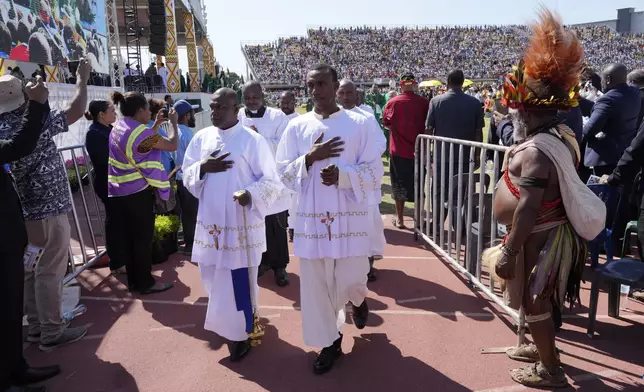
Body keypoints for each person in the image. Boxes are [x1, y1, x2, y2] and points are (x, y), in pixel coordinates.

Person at [488, 10, 605, 388]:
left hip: (543, 238)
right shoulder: (559, 137)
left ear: (526, 110)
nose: (513, 113)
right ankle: (540, 350)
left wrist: (508, 252)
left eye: (516, 109)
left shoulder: (538, 151)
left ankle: (550, 370)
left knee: (536, 301)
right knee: (538, 300)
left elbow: (528, 208)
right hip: (543, 236)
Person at [276, 64, 383, 375]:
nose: (315, 91)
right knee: (316, 286)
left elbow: (375, 172)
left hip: (349, 219)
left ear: (336, 85)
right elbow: (282, 171)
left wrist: (343, 176)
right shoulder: (297, 128)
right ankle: (330, 343)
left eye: (322, 84)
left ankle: (358, 300)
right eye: (311, 85)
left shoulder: (358, 124)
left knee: (352, 279)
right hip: (312, 221)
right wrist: (309, 158)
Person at [182, 88, 284, 361]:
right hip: (211, 224)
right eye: (212, 107)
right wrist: (202, 167)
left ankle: (243, 332)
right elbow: (186, 172)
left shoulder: (252, 141)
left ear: (236, 108)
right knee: (212, 275)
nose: (214, 112)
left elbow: (271, 181)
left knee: (239, 278)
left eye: (221, 108)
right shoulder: (202, 138)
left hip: (240, 223)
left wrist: (250, 194)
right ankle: (226, 322)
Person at [0, 59, 90, 352]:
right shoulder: (34, 120)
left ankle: (37, 326)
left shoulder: (3, 127)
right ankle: (52, 330)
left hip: (23, 211)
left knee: (32, 268)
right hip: (49, 210)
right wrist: (82, 79)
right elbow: (77, 110)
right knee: (50, 269)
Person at [1, 76, 62, 392]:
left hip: (12, 233)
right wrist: (38, 104)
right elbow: (20, 145)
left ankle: (15, 367)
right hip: (23, 224)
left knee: (12, 306)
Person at [107, 91, 177, 295]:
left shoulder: (120, 126)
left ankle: (135, 281)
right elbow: (171, 145)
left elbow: (142, 145)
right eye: (147, 109)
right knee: (142, 239)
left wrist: (154, 126)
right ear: (139, 111)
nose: (149, 113)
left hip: (118, 192)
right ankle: (146, 282)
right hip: (137, 193)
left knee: (129, 239)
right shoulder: (139, 133)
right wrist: (172, 123)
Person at [239, 81, 291, 286]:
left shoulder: (277, 116)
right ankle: (261, 262)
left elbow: (284, 146)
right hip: (249, 180)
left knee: (277, 225)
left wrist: (259, 139)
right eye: (247, 98)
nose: (252, 101)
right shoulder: (238, 117)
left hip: (273, 180)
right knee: (255, 223)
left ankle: (280, 267)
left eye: (255, 97)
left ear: (262, 96)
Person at [337, 79, 386, 281]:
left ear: (357, 95)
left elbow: (379, 144)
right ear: (336, 94)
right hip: (339, 184)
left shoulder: (366, 118)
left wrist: (357, 168)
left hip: (363, 181)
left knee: (367, 225)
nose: (347, 97)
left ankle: (368, 263)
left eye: (350, 93)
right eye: (342, 93)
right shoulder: (331, 118)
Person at [426, 69, 484, 229]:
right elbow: (478, 132)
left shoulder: (436, 101)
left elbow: (428, 130)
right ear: (462, 82)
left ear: (448, 82)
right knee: (461, 194)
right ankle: (460, 227)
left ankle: (437, 226)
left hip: (441, 158)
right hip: (464, 158)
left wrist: (428, 156)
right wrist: (477, 156)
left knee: (439, 192)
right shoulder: (474, 103)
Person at [382, 72, 429, 229]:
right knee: (419, 185)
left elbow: (386, 123)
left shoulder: (393, 102)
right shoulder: (424, 103)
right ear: (414, 85)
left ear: (400, 85)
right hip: (419, 151)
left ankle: (400, 219)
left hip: (399, 151)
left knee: (398, 185)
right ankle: (418, 219)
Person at [84, 100, 123, 274]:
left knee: (120, 220)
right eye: (112, 111)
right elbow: (104, 160)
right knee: (115, 222)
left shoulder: (108, 129)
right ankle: (116, 261)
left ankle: (122, 258)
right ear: (101, 114)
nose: (115, 114)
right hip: (107, 183)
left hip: (118, 182)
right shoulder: (93, 133)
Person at [582, 64, 641, 177]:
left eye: (603, 78)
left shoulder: (607, 100)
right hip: (624, 153)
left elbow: (589, 130)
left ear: (608, 79)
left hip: (604, 159)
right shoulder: (634, 92)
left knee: (600, 192)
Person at [172, 99, 200, 255]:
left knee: (186, 212)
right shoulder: (188, 134)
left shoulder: (176, 131)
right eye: (192, 112)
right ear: (187, 115)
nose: (194, 115)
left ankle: (189, 241)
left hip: (179, 177)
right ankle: (191, 244)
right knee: (191, 213)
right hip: (188, 178)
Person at [280, 90, 300, 240]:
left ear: (294, 102)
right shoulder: (274, 120)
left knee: (294, 200)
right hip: (277, 166)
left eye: (288, 102)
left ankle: (293, 228)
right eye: (282, 102)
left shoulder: (300, 121)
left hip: (294, 165)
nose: (285, 105)